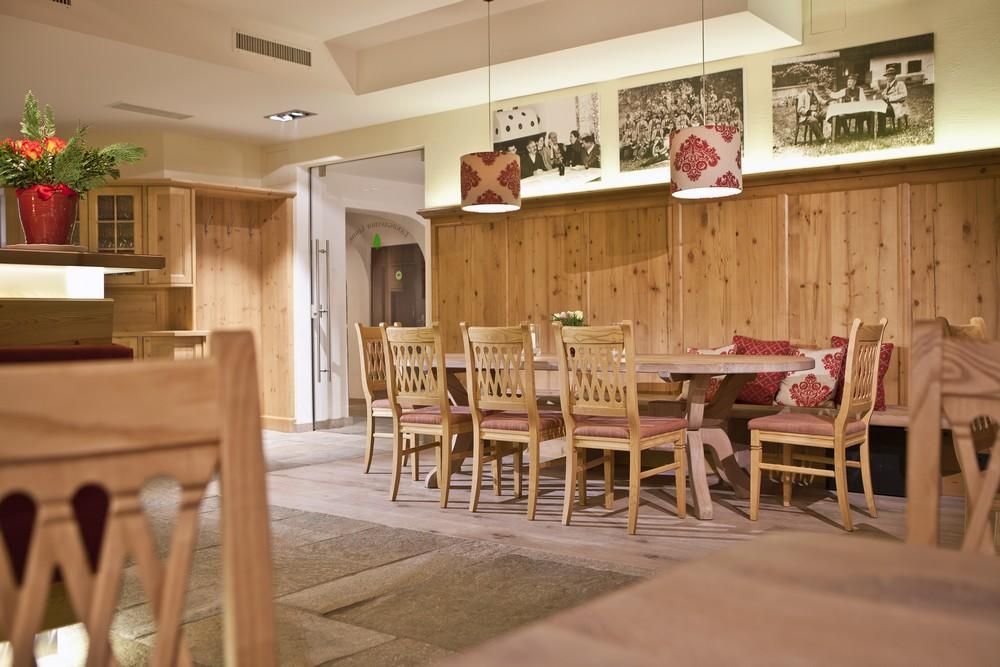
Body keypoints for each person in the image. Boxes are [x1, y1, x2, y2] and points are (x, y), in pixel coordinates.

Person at [796, 76, 827, 142]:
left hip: (817, 113)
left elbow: (821, 101)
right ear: (808, 84)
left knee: (829, 113)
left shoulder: (815, 93)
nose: (816, 85)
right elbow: (800, 109)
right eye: (814, 83)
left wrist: (828, 102)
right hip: (806, 117)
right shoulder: (802, 95)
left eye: (816, 83)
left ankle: (836, 134)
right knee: (813, 120)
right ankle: (821, 139)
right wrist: (811, 113)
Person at [879, 64, 908, 131]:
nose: (887, 78)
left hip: (898, 105)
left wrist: (889, 98)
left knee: (882, 110)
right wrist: (884, 95)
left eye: (888, 76)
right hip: (889, 105)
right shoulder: (888, 85)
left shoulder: (900, 83)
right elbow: (883, 93)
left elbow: (904, 95)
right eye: (886, 76)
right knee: (879, 109)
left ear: (893, 76)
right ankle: (881, 130)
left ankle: (881, 131)